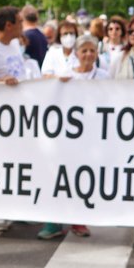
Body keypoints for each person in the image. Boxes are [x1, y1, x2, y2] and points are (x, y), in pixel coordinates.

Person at [37, 36, 104, 240]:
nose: (88, 55)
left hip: (91, 136)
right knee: (58, 176)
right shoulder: (65, 75)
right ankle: (52, 222)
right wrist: (56, 82)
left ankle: (79, 221)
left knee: (82, 177)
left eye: (92, 50)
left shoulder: (104, 76)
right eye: (84, 50)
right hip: (66, 136)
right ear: (76, 54)